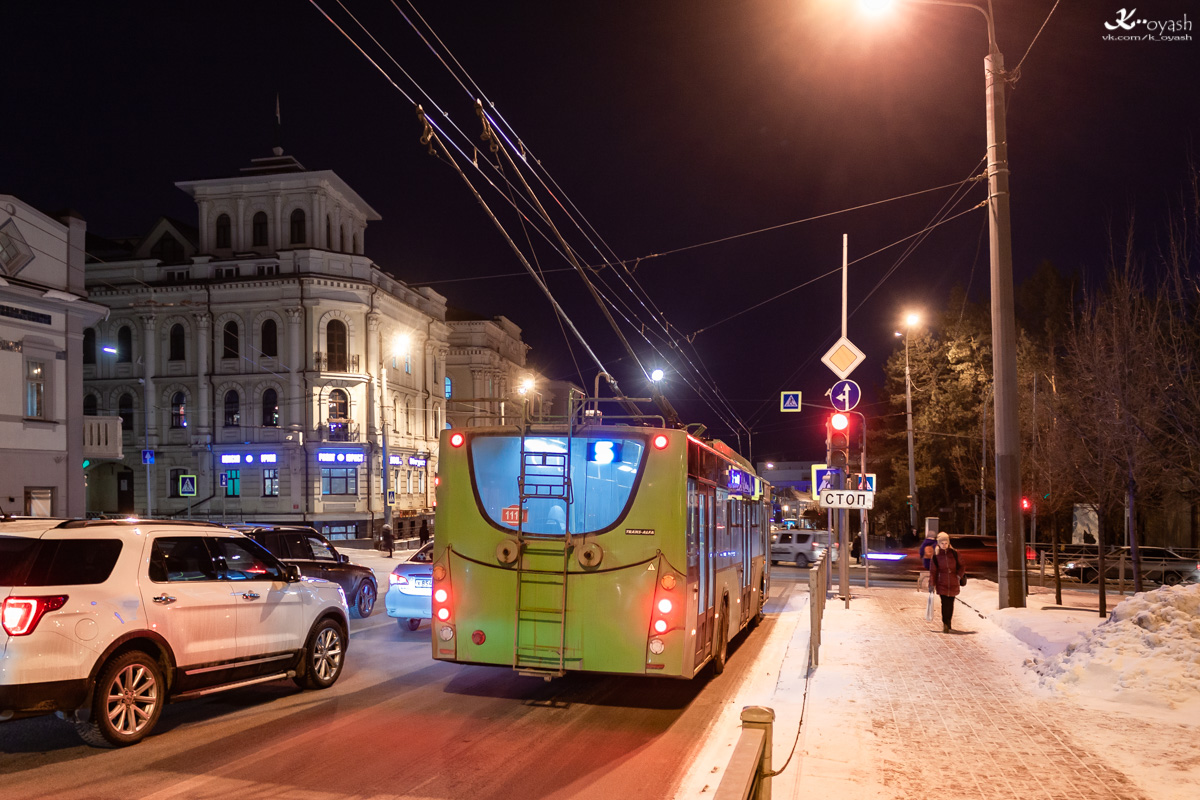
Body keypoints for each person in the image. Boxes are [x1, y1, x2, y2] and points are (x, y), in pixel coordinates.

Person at [928, 531, 966, 633]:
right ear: (938, 544)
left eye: (946, 543)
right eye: (942, 543)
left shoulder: (954, 553)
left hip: (953, 582)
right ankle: (945, 623)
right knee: (945, 604)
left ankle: (949, 623)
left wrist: (958, 576)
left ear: (948, 543)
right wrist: (931, 584)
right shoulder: (936, 556)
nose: (944, 545)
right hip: (942, 583)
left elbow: (962, 566)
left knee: (951, 603)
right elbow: (933, 571)